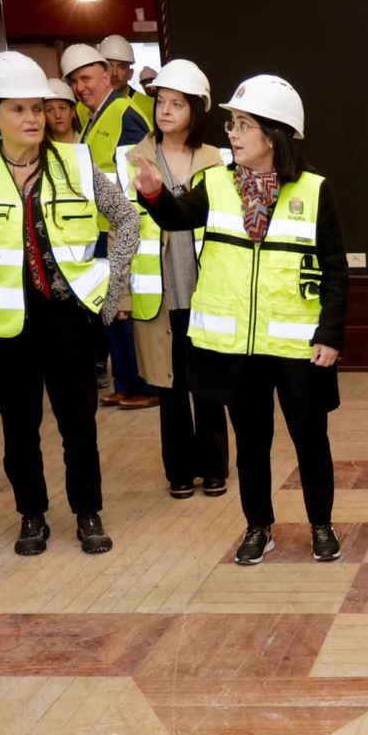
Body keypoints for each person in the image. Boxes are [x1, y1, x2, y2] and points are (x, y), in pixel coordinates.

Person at [0, 51, 138, 556]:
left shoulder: (77, 162)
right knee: (19, 427)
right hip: (4, 319)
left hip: (67, 315)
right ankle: (32, 516)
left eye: (37, 109)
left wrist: (112, 280)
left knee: (78, 423)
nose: (32, 119)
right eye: (18, 109)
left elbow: (125, 219)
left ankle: (88, 512)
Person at [131, 75, 349, 565]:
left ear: (271, 135)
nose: (232, 132)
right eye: (232, 123)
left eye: (243, 125)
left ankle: (321, 525)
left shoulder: (315, 192)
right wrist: (153, 193)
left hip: (299, 347)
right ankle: (258, 527)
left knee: (311, 441)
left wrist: (331, 334)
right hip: (237, 349)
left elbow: (335, 268)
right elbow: (176, 216)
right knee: (251, 445)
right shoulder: (217, 184)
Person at [119, 58, 230, 500]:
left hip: (205, 287)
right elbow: (122, 225)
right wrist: (122, 288)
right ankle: (179, 470)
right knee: (169, 384)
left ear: (196, 110)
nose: (165, 111)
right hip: (156, 288)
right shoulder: (134, 158)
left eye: (176, 104)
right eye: (161, 102)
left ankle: (216, 466)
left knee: (207, 381)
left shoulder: (215, 158)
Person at [63, 42, 156, 410]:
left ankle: (143, 384)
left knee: (125, 309)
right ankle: (126, 383)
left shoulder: (124, 115)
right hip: (98, 232)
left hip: (120, 232)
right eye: (74, 81)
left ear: (106, 76)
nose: (80, 87)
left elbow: (135, 177)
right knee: (110, 309)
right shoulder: (93, 119)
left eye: (86, 78)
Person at [98, 35, 153, 124]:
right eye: (109, 66)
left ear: (130, 73)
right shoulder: (83, 107)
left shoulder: (150, 106)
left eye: (121, 67)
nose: (114, 73)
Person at [44, 77, 80, 142]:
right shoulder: (38, 150)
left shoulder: (88, 141)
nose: (58, 115)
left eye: (62, 108)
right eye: (50, 110)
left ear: (72, 112)